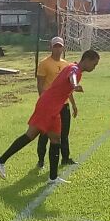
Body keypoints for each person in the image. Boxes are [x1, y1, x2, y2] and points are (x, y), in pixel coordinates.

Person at [0, 50, 101, 184]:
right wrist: (75, 85)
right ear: (87, 60)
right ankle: (0, 160)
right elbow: (72, 76)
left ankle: (53, 178)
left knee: (55, 139)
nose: (94, 67)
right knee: (31, 134)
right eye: (94, 64)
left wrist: (73, 98)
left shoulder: (71, 66)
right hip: (48, 106)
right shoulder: (74, 69)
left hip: (54, 107)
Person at [35, 37, 78, 170]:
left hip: (63, 104)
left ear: (63, 48)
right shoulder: (44, 63)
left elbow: (67, 87)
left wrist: (73, 104)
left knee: (64, 133)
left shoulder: (66, 65)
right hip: (49, 105)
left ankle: (65, 158)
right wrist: (43, 102)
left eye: (60, 46)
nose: (58, 49)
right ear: (51, 47)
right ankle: (41, 160)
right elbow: (40, 84)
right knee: (44, 133)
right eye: (55, 46)